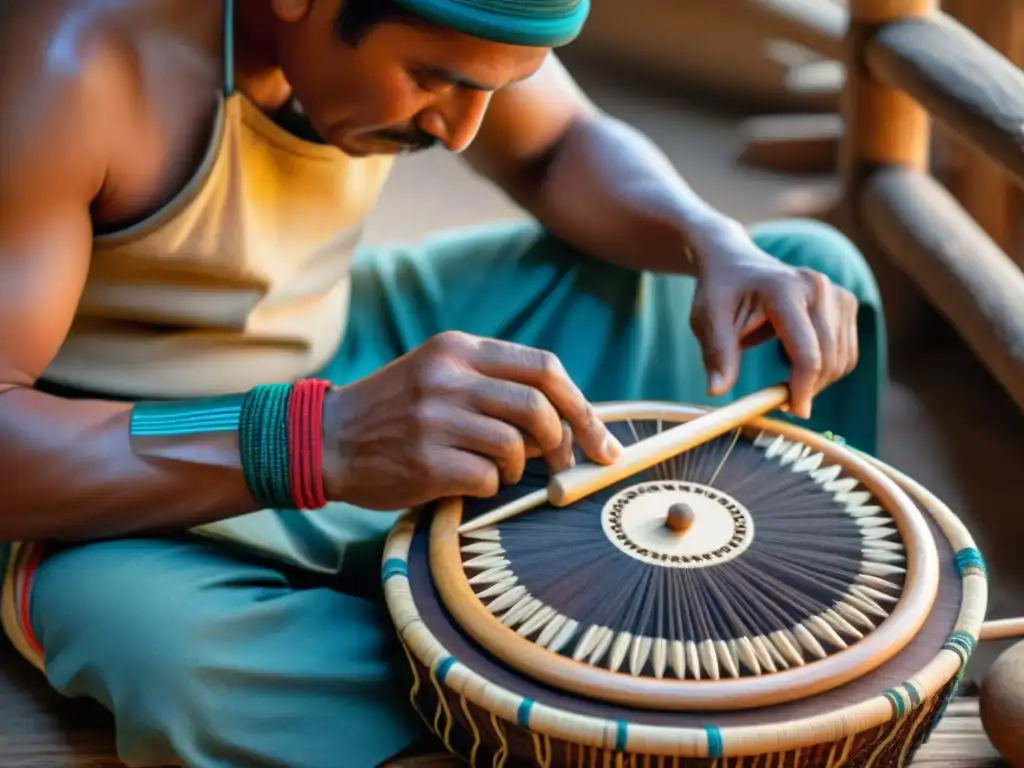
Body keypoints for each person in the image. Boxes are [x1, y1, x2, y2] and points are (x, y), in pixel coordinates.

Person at [0, 0, 885, 764]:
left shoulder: (442, 39)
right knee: (173, 657)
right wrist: (326, 441)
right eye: (433, 79)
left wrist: (711, 238)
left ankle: (491, 654)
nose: (461, 131)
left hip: (348, 347)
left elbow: (559, 147)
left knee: (800, 278)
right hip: (126, 448)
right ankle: (547, 681)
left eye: (492, 88)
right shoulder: (77, 67)